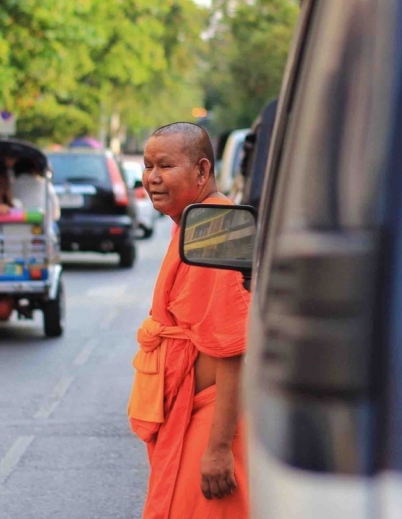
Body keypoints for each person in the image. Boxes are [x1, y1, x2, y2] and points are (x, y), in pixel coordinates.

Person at [128, 122, 250, 519]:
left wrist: (218, 447)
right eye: (147, 166)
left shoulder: (215, 229)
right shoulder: (196, 222)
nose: (152, 178)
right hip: (192, 414)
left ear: (202, 171)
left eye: (165, 165)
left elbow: (232, 347)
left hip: (211, 421)